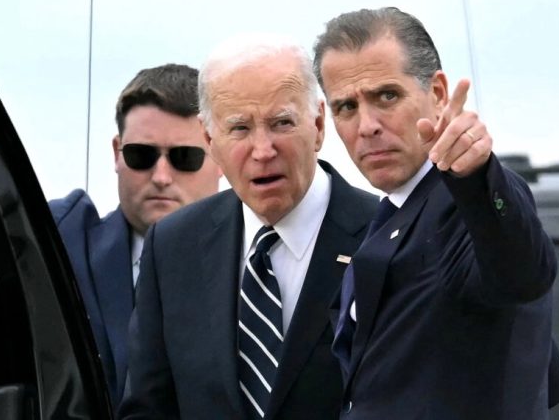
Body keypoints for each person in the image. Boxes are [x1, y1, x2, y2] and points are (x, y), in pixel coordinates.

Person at [313, 7, 559, 419]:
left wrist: (478, 176)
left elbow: (522, 274)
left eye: (386, 96)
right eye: (346, 107)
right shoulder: (389, 214)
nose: (367, 125)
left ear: (439, 93)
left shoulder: (467, 198)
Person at [118, 36, 378, 420]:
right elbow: (148, 408)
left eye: (281, 123)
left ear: (318, 125)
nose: (262, 150)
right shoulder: (173, 246)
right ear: (210, 140)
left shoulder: (385, 236)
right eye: (239, 128)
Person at [49, 63, 221, 408]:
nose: (161, 176)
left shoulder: (258, 265)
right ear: (117, 152)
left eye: (184, 158)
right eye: (141, 155)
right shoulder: (61, 246)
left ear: (220, 156)